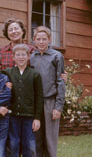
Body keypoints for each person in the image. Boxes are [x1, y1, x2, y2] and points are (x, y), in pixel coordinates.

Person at [2, 44, 43, 157]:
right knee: (13, 143)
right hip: (13, 115)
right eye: (18, 55)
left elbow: (39, 97)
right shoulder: (7, 72)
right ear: (13, 57)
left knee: (29, 145)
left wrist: (37, 118)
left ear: (28, 56)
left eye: (23, 54)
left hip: (29, 116)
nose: (21, 57)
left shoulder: (35, 74)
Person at [31, 26, 65, 157]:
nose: (41, 42)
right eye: (38, 39)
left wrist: (58, 106)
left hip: (51, 102)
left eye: (44, 39)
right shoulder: (32, 57)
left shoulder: (57, 56)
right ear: (34, 40)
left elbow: (61, 81)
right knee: (37, 139)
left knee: (50, 140)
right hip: (36, 103)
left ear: (49, 40)